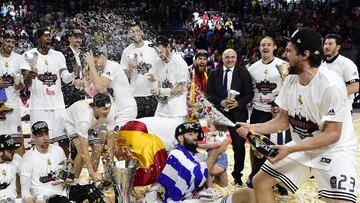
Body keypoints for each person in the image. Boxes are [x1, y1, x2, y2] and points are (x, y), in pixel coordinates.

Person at [237, 29, 358, 203]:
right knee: (260, 182)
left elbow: (332, 134)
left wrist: (290, 149)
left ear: (305, 55)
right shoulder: (291, 80)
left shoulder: (330, 85)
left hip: (335, 149)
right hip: (303, 146)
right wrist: (251, 127)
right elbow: (282, 121)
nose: (284, 55)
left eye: (289, 51)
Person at [146, 122, 256, 203]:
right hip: (185, 200)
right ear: (180, 138)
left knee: (249, 194)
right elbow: (197, 174)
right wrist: (215, 152)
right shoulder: (176, 154)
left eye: (195, 134)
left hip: (205, 199)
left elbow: (223, 182)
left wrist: (220, 154)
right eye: (190, 134)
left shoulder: (200, 155)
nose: (195, 137)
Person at [21, 27, 79, 144]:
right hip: (38, 106)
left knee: (62, 141)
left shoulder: (58, 55)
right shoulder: (28, 55)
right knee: (40, 141)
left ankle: (63, 162)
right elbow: (25, 85)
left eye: (50, 36)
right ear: (38, 39)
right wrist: (29, 76)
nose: (49, 38)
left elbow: (65, 78)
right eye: (46, 36)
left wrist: (73, 74)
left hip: (58, 105)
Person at [206, 48, 254, 186]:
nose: (230, 60)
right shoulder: (214, 73)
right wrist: (220, 101)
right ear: (222, 58)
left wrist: (238, 103)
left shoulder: (244, 73)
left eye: (232, 57)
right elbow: (208, 93)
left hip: (237, 115)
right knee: (214, 145)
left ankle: (237, 176)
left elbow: (249, 93)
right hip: (218, 115)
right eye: (227, 57)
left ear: (236, 58)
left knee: (239, 146)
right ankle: (213, 173)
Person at [246, 36, 285, 188]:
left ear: (275, 47)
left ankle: (278, 181)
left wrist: (280, 102)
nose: (266, 47)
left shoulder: (283, 65)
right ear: (259, 48)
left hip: (277, 113)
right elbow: (249, 89)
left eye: (269, 44)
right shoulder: (253, 68)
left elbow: (289, 86)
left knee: (277, 146)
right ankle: (254, 175)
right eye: (263, 45)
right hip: (258, 110)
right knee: (256, 145)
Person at [62, 93, 115, 183]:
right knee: (80, 150)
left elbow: (110, 138)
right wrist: (91, 172)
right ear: (96, 108)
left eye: (109, 108)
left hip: (90, 125)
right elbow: (84, 149)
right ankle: (75, 182)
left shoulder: (110, 113)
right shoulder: (84, 118)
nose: (108, 111)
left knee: (97, 148)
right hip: (70, 122)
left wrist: (111, 164)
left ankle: (91, 182)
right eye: (105, 109)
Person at [20, 121, 72, 202]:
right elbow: (25, 191)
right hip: (43, 197)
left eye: (46, 134)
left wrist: (68, 181)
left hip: (63, 193)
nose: (45, 138)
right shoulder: (28, 157)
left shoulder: (58, 150)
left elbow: (65, 177)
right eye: (41, 135)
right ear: (34, 137)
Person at [85, 50, 137, 128]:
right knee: (107, 136)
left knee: (118, 137)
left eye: (97, 59)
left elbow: (100, 86)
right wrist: (91, 65)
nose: (96, 63)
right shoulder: (101, 69)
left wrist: (92, 65)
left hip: (126, 109)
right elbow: (95, 86)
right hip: (114, 110)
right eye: (94, 62)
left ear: (103, 56)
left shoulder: (112, 66)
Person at [120, 21, 159, 118]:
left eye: (137, 30)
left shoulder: (152, 47)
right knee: (137, 126)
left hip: (152, 92)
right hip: (135, 94)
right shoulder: (127, 51)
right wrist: (129, 69)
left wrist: (157, 76)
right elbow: (123, 75)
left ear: (142, 32)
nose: (135, 33)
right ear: (130, 34)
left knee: (152, 125)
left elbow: (162, 66)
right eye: (133, 31)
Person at [149, 36, 188, 122]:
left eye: (161, 51)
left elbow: (180, 88)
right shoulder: (157, 64)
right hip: (161, 109)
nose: (159, 55)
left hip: (176, 111)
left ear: (168, 47)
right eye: (156, 52)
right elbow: (160, 85)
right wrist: (156, 92)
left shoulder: (179, 62)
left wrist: (161, 91)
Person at [0, 29, 26, 155]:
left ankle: (21, 173)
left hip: (13, 105)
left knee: (17, 140)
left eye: (13, 42)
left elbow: (21, 84)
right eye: (8, 41)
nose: (10, 44)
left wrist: (21, 84)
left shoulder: (19, 59)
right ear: (1, 40)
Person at [322, 34, 359, 112]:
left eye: (330, 44)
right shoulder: (320, 64)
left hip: (342, 109)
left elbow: (354, 86)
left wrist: (332, 95)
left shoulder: (347, 63)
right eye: (325, 44)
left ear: (338, 47)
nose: (327, 46)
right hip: (323, 108)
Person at [198, 119, 228, 189]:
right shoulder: (212, 134)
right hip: (214, 159)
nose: (207, 128)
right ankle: (210, 187)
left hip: (220, 160)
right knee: (208, 171)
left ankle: (210, 188)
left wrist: (205, 146)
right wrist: (200, 146)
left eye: (209, 126)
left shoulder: (220, 133)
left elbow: (218, 143)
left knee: (209, 171)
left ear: (217, 126)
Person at [61, 29, 87, 108]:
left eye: (80, 38)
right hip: (67, 94)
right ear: (69, 39)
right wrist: (73, 82)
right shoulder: (62, 54)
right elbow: (57, 75)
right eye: (76, 37)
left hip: (81, 93)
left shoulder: (83, 54)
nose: (78, 40)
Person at [187, 49, 209, 122]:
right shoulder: (188, 71)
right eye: (200, 59)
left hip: (201, 108)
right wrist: (186, 100)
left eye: (204, 59)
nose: (202, 61)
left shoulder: (205, 73)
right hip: (189, 108)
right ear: (195, 60)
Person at [0, 134, 22, 201]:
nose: (13, 152)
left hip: (10, 199)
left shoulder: (16, 158)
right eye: (10, 150)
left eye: (13, 149)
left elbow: (28, 175)